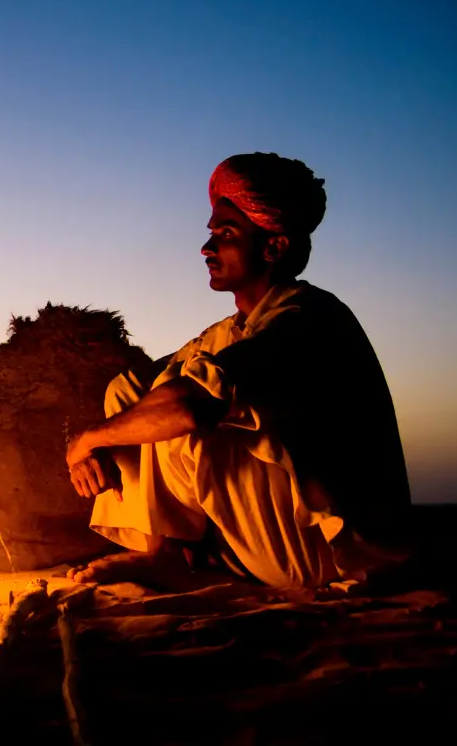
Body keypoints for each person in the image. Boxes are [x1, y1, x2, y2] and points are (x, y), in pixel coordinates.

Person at [65, 153, 411, 590]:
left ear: (274, 247)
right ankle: (163, 551)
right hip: (271, 541)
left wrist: (88, 440)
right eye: (211, 234)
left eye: (226, 235)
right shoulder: (233, 330)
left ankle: (170, 556)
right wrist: (96, 440)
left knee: (181, 398)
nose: (207, 249)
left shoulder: (307, 319)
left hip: (328, 557)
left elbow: (190, 405)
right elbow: (136, 387)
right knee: (133, 389)